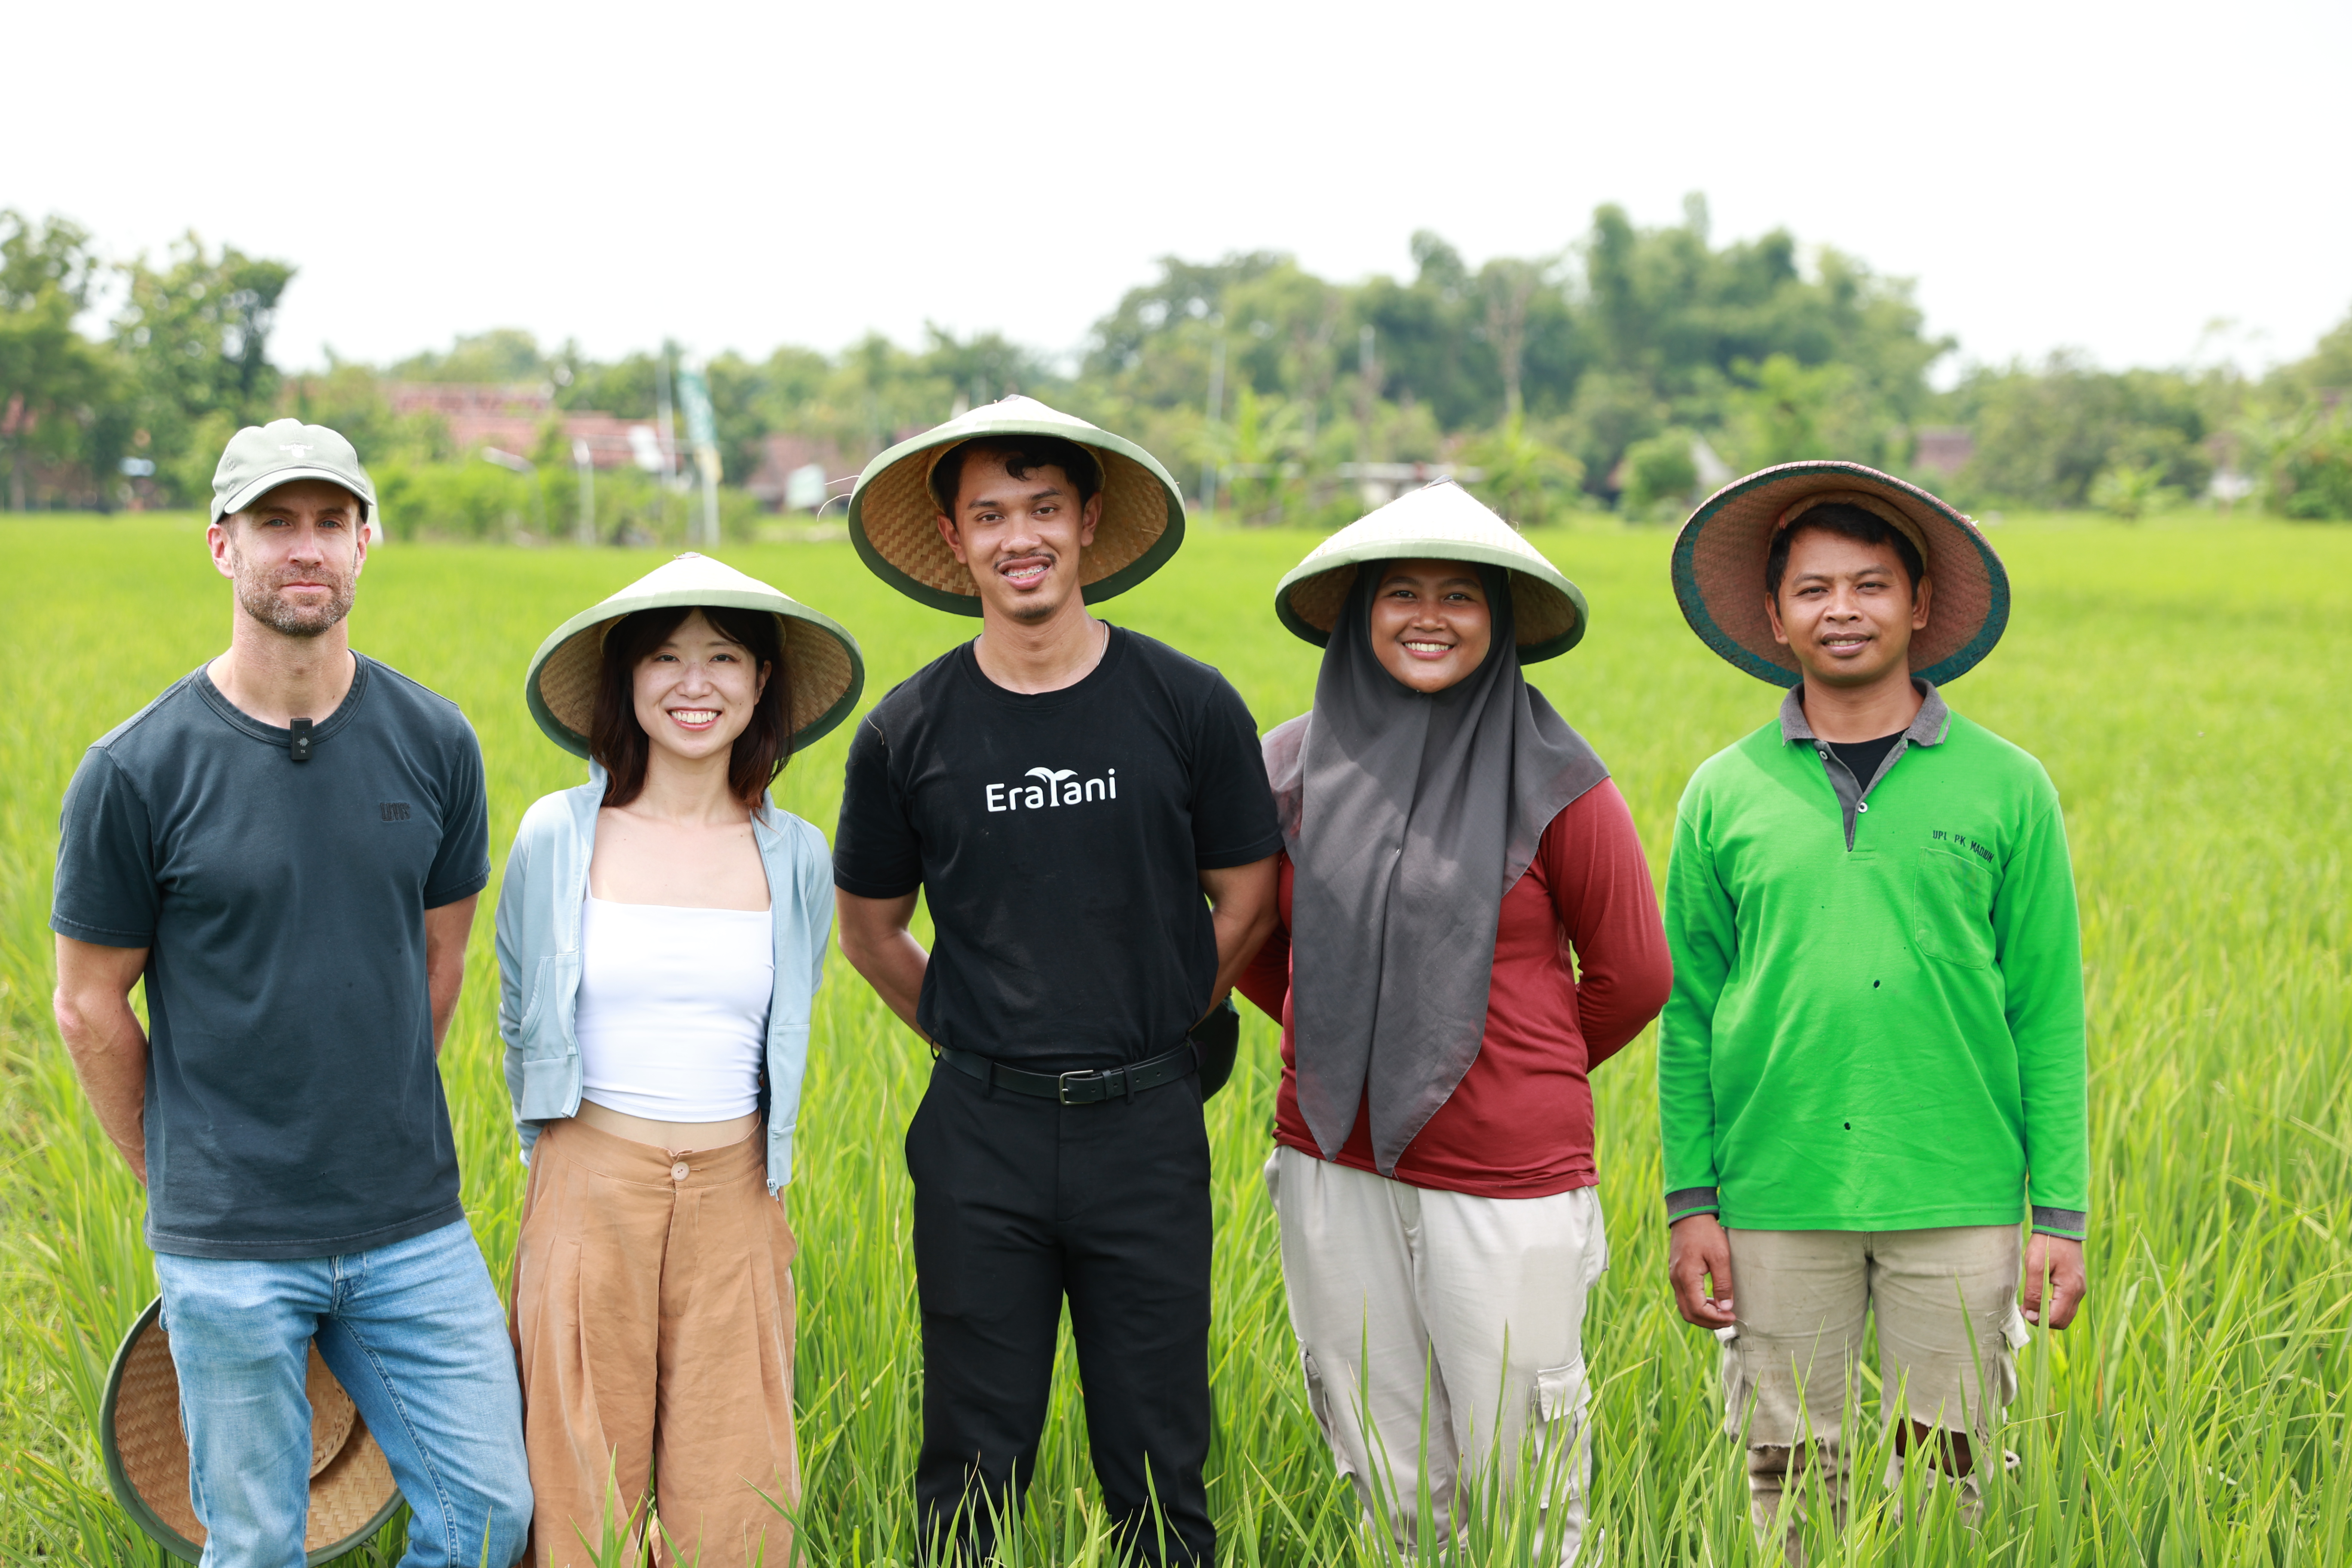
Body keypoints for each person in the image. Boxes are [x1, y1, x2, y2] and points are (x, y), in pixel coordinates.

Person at [49, 419, 532, 1568]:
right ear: (223, 546)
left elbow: (437, 959)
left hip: (411, 1223)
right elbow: (86, 1003)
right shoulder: (137, 771)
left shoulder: (435, 742)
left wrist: (371, 1118)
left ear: (368, 542)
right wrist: (172, 1177)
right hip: (229, 1242)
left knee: (491, 1514)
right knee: (257, 1541)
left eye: (328, 522)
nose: (304, 548)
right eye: (275, 523)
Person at [831, 397, 1282, 1565]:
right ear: (953, 538)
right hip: (981, 1134)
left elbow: (1249, 896)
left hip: (1147, 1125)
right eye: (990, 515)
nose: (1018, 536)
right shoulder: (907, 731)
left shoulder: (1187, 704)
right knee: (972, 1461)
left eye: (1042, 509)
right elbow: (873, 931)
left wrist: (1162, 1019)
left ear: (1087, 522)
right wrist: (976, 1031)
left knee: (1158, 1457)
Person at [1658, 462, 2089, 1556]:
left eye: (1869, 585)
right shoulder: (1725, 791)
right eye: (1812, 590)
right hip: (1775, 1188)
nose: (1841, 610)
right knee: (1789, 1482)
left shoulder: (2008, 785)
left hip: (1957, 1187)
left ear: (1919, 606)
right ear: (1774, 617)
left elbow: (2047, 1011)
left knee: (1950, 1485)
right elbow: (1689, 1011)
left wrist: (2062, 1218)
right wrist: (1690, 1200)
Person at [1235, 481, 1671, 1563]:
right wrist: (1341, 1040)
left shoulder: (1561, 781)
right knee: (1387, 1472)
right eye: (1401, 593)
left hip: (1510, 1176)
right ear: (1358, 613)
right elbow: (1250, 941)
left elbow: (1634, 973)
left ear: (1502, 621)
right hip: (1334, 1160)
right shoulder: (1286, 771)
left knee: (1524, 1477)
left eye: (1461, 596)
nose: (1430, 615)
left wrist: (1508, 1062)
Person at [496, 552, 865, 1567]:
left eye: (723, 659)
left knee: (737, 1494)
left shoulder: (793, 857)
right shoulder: (558, 837)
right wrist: (552, 1168)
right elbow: (517, 1004)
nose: (693, 684)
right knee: (577, 1494)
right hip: (587, 1186)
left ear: (761, 686)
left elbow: (787, 1024)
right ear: (627, 682)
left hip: (737, 1193)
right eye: (664, 657)